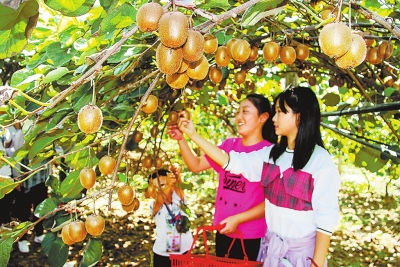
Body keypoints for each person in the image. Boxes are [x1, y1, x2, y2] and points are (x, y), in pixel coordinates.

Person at [176, 86, 341, 267]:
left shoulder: (320, 161)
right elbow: (232, 162)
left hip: (303, 257)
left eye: (280, 112)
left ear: (299, 116)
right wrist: (192, 135)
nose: (275, 118)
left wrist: (315, 265)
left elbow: (325, 222)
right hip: (272, 252)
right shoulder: (272, 155)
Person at [167, 94, 276, 260]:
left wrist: (238, 219)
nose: (239, 117)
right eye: (238, 111)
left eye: (245, 112)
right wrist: (181, 140)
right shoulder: (229, 145)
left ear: (263, 117)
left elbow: (271, 204)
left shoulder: (271, 153)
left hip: (250, 235)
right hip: (222, 228)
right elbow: (195, 165)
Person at [146, 165, 193, 267]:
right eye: (155, 188)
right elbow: (159, 199)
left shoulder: (179, 199)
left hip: (184, 251)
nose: (159, 190)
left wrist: (177, 175)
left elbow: (179, 187)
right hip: (163, 255)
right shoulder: (154, 205)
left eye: (162, 185)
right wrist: (167, 184)